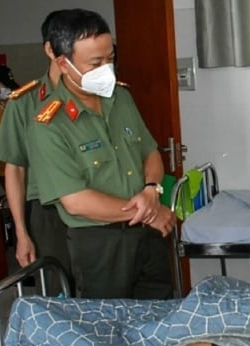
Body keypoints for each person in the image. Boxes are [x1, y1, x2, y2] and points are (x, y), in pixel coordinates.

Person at [25, 8, 176, 299]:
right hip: (100, 245)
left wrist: (151, 189)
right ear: (64, 64)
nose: (107, 69)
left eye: (111, 58)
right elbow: (76, 202)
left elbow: (150, 152)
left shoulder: (121, 98)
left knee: (160, 317)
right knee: (108, 330)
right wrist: (149, 213)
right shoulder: (49, 125)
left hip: (148, 236)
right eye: (96, 63)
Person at [0, 11, 73, 289]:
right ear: (50, 49)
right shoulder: (24, 103)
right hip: (49, 212)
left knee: (104, 293)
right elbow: (14, 169)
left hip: (100, 208)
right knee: (57, 291)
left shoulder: (104, 97)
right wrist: (21, 233)